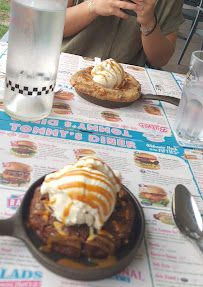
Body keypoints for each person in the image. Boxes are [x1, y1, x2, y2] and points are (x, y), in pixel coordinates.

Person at [62, 0, 184, 68]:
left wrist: (148, 22)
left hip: (122, 85)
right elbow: (49, 26)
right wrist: (93, 6)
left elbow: (160, 59)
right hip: (64, 69)